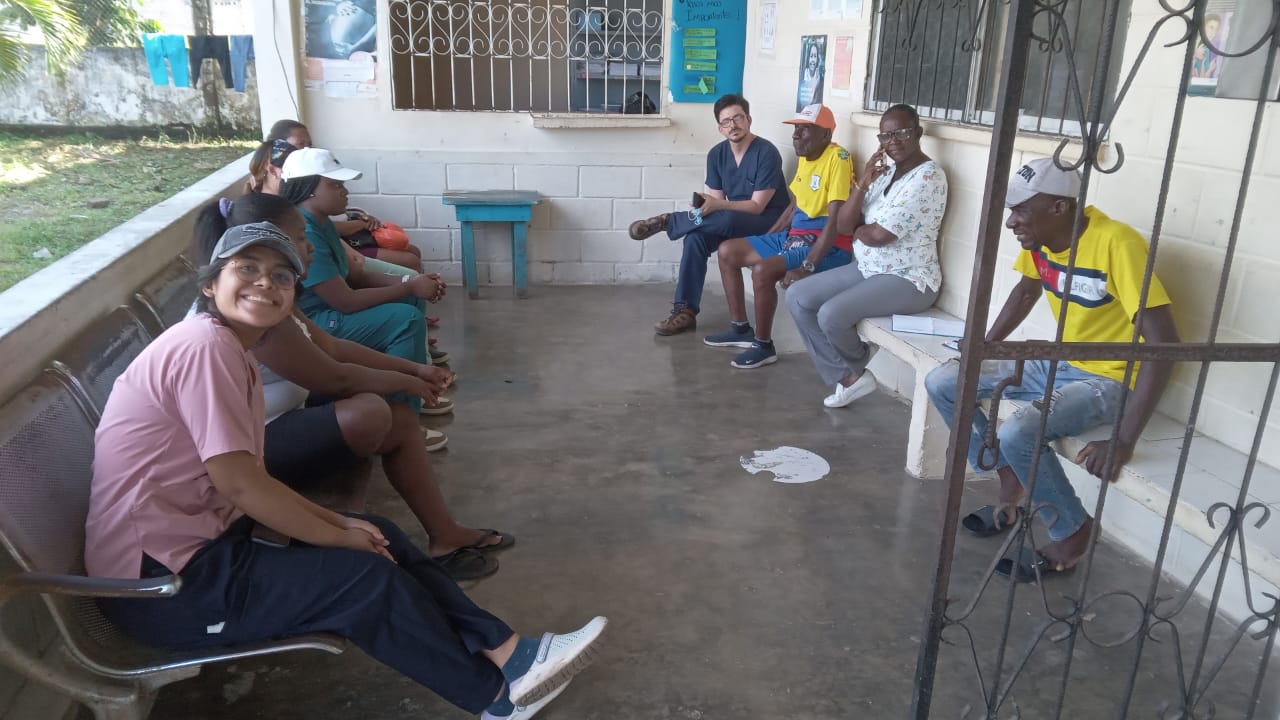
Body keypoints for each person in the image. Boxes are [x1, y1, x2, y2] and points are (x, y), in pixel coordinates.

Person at [85, 222, 607, 718]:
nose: (265, 283)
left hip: (203, 548)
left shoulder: (228, 346)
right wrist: (338, 536)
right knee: (362, 579)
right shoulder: (205, 349)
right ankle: (497, 700)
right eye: (247, 268)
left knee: (376, 532)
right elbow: (240, 484)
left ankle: (512, 654)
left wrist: (343, 525)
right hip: (161, 588)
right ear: (209, 284)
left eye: (281, 276)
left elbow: (248, 478)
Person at [194, 193, 504, 579]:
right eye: (299, 238)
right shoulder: (251, 314)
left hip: (277, 424)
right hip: (245, 455)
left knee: (399, 420)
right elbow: (334, 377)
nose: (308, 246)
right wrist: (408, 379)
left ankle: (445, 535)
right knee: (371, 411)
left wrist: (415, 369)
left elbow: (334, 348)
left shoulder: (276, 295)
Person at [923, 157, 1180, 579]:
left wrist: (1122, 440)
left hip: (1109, 377)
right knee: (945, 380)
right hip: (1058, 362)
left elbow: (1165, 346)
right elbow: (1026, 292)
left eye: (1021, 210)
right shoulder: (1041, 241)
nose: (1011, 222)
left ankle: (1073, 530)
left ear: (1059, 207)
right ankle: (1008, 475)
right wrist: (984, 348)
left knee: (1020, 430)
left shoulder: (1117, 243)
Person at [786, 104, 948, 408]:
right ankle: (849, 377)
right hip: (868, 266)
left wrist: (862, 230)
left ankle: (857, 361)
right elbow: (844, 225)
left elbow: (880, 236)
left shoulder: (928, 177)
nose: (893, 142)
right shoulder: (885, 174)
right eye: (885, 136)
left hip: (908, 277)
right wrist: (862, 184)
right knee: (797, 297)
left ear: (918, 133)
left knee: (831, 315)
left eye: (901, 133)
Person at [279, 147, 442, 414]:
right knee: (406, 320)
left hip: (334, 310)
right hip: (318, 320)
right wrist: (409, 285)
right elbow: (345, 302)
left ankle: (419, 386)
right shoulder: (305, 230)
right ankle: (403, 411)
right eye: (335, 185)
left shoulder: (322, 223)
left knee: (411, 297)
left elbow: (358, 276)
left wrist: (410, 282)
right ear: (309, 190)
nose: (345, 192)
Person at [627, 94, 790, 336]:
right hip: (733, 220)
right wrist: (705, 207)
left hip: (770, 222)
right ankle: (685, 311)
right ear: (720, 128)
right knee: (695, 238)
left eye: (738, 118)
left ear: (748, 120)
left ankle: (669, 221)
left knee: (728, 217)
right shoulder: (716, 154)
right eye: (726, 121)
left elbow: (757, 206)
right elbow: (716, 203)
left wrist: (717, 206)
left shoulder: (766, 152)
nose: (732, 125)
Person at [708, 104, 855, 369]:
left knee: (763, 270)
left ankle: (763, 346)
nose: (796, 135)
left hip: (826, 245)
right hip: (795, 237)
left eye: (804, 129)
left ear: (826, 134)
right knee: (728, 251)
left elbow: (835, 221)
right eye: (795, 129)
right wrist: (767, 239)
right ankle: (740, 328)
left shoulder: (838, 158)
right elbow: (794, 206)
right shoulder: (807, 156)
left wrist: (808, 266)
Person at [265, 120, 424, 272]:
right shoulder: (304, 224)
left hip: (348, 245)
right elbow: (342, 288)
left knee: (413, 256)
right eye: (300, 144)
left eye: (309, 144)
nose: (345, 191)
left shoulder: (320, 214)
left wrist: (360, 219)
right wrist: (359, 227)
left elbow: (356, 275)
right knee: (410, 264)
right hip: (349, 246)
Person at [796, 40, 824, 110]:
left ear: (817, 59)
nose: (813, 60)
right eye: (811, 56)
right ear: (807, 58)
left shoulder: (819, 76)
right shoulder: (803, 74)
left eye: (815, 56)